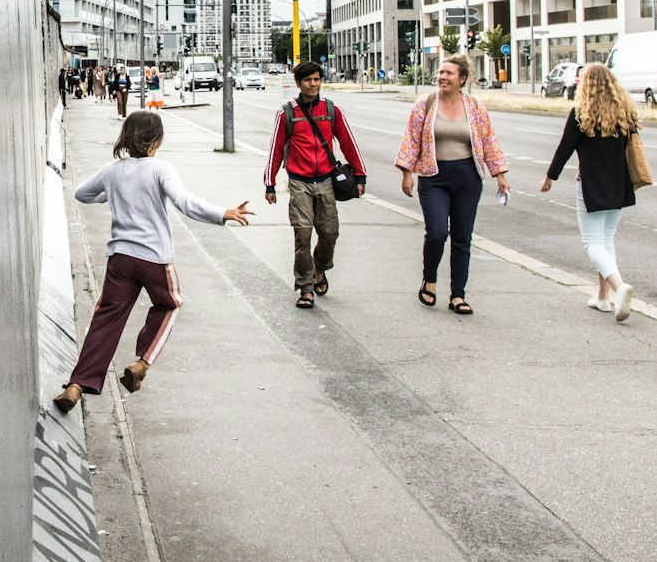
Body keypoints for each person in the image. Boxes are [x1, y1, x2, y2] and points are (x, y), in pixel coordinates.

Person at [55, 111, 251, 412]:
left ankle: (76, 385)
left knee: (106, 318)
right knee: (170, 304)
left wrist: (111, 194)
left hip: (119, 258)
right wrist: (222, 213)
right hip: (154, 259)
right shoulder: (161, 168)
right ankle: (142, 363)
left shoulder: (112, 170)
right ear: (156, 142)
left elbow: (83, 194)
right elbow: (184, 203)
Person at [393, 52, 511, 315]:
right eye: (441, 72)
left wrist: (500, 174)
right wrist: (407, 172)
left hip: (467, 178)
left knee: (462, 238)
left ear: (462, 79)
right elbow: (412, 139)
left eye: (449, 73)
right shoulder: (425, 104)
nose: (443, 77)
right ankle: (430, 279)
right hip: (434, 177)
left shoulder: (476, 108)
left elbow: (489, 141)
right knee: (437, 233)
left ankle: (458, 295)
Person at [262, 60, 367, 309]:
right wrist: (270, 183)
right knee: (303, 234)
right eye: (308, 80)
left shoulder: (331, 110)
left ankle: (320, 267)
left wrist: (361, 175)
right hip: (299, 183)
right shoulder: (287, 113)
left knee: (329, 233)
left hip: (327, 182)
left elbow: (348, 143)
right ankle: (306, 287)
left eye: (317, 79)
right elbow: (275, 150)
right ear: (298, 84)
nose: (313, 84)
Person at [540, 61, 641, 321]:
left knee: (592, 243)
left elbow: (565, 148)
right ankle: (603, 298)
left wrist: (550, 177)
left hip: (591, 184)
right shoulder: (625, 112)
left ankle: (619, 288)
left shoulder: (580, 114)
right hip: (620, 183)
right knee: (606, 240)